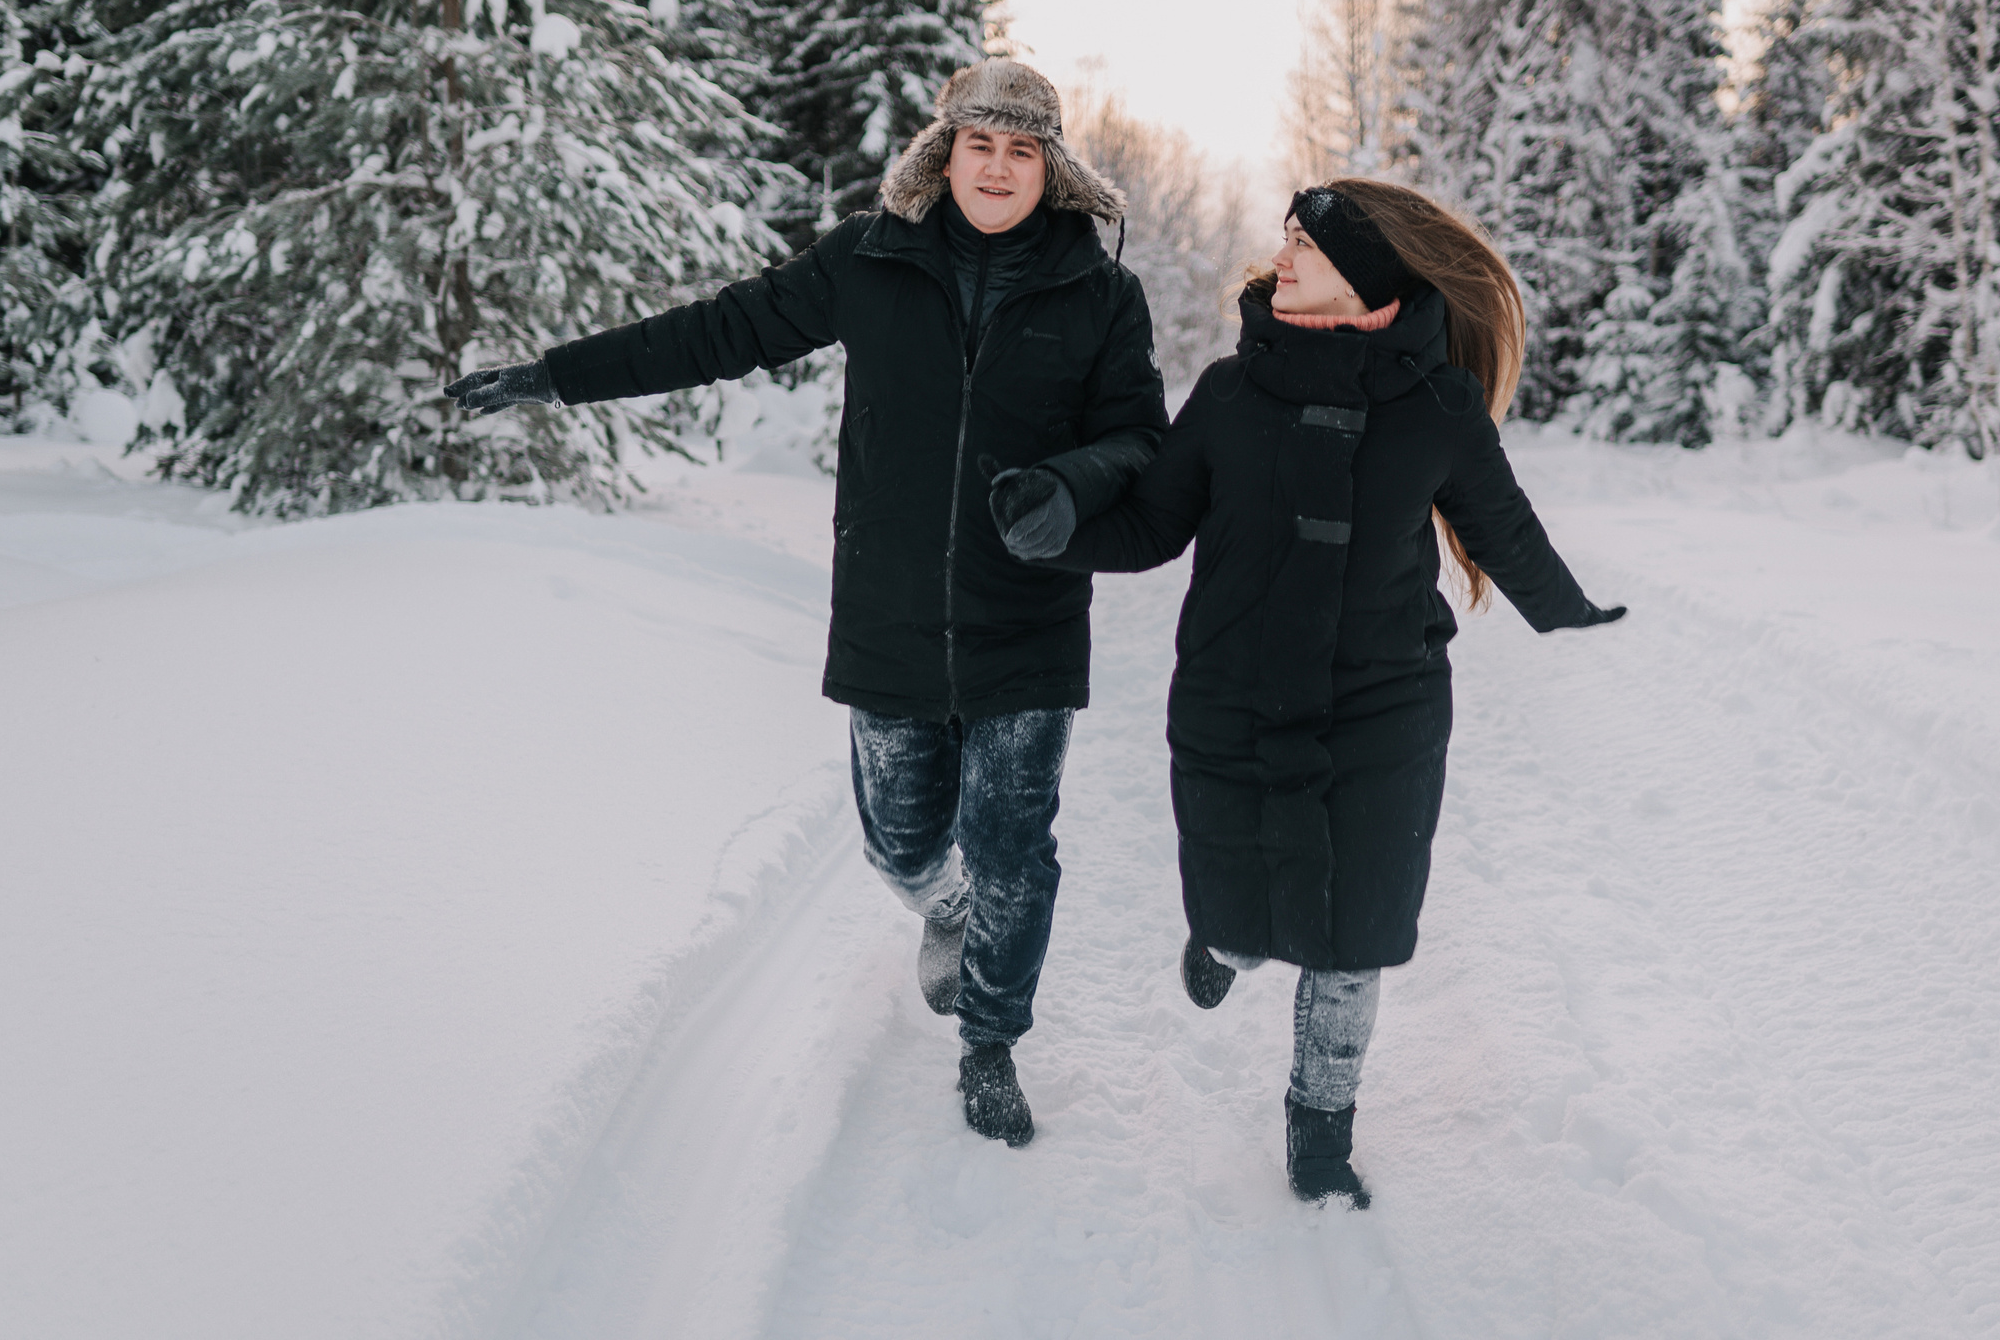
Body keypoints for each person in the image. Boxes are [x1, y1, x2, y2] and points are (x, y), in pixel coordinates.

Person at [445, 59, 1167, 1147]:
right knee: (900, 847)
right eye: (980, 144)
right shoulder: (868, 260)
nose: (999, 167)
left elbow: (1138, 438)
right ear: (946, 153)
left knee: (1015, 853)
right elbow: (719, 331)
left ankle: (989, 1042)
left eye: (1022, 150)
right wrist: (558, 375)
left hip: (1028, 614)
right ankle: (945, 908)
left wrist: (1069, 487)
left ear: (1050, 167)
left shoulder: (1099, 294)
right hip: (889, 609)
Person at [988, 177, 1624, 1206]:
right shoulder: (1231, 393)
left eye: (1304, 245)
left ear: (1363, 275)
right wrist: (1058, 531)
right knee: (1240, 913)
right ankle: (1228, 939)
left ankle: (1320, 1130)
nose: (1280, 258)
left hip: (1385, 708)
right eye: (1285, 240)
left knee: (1351, 938)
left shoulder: (1437, 409)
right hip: (1231, 697)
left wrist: (1574, 612)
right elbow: (1152, 526)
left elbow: (1506, 533)